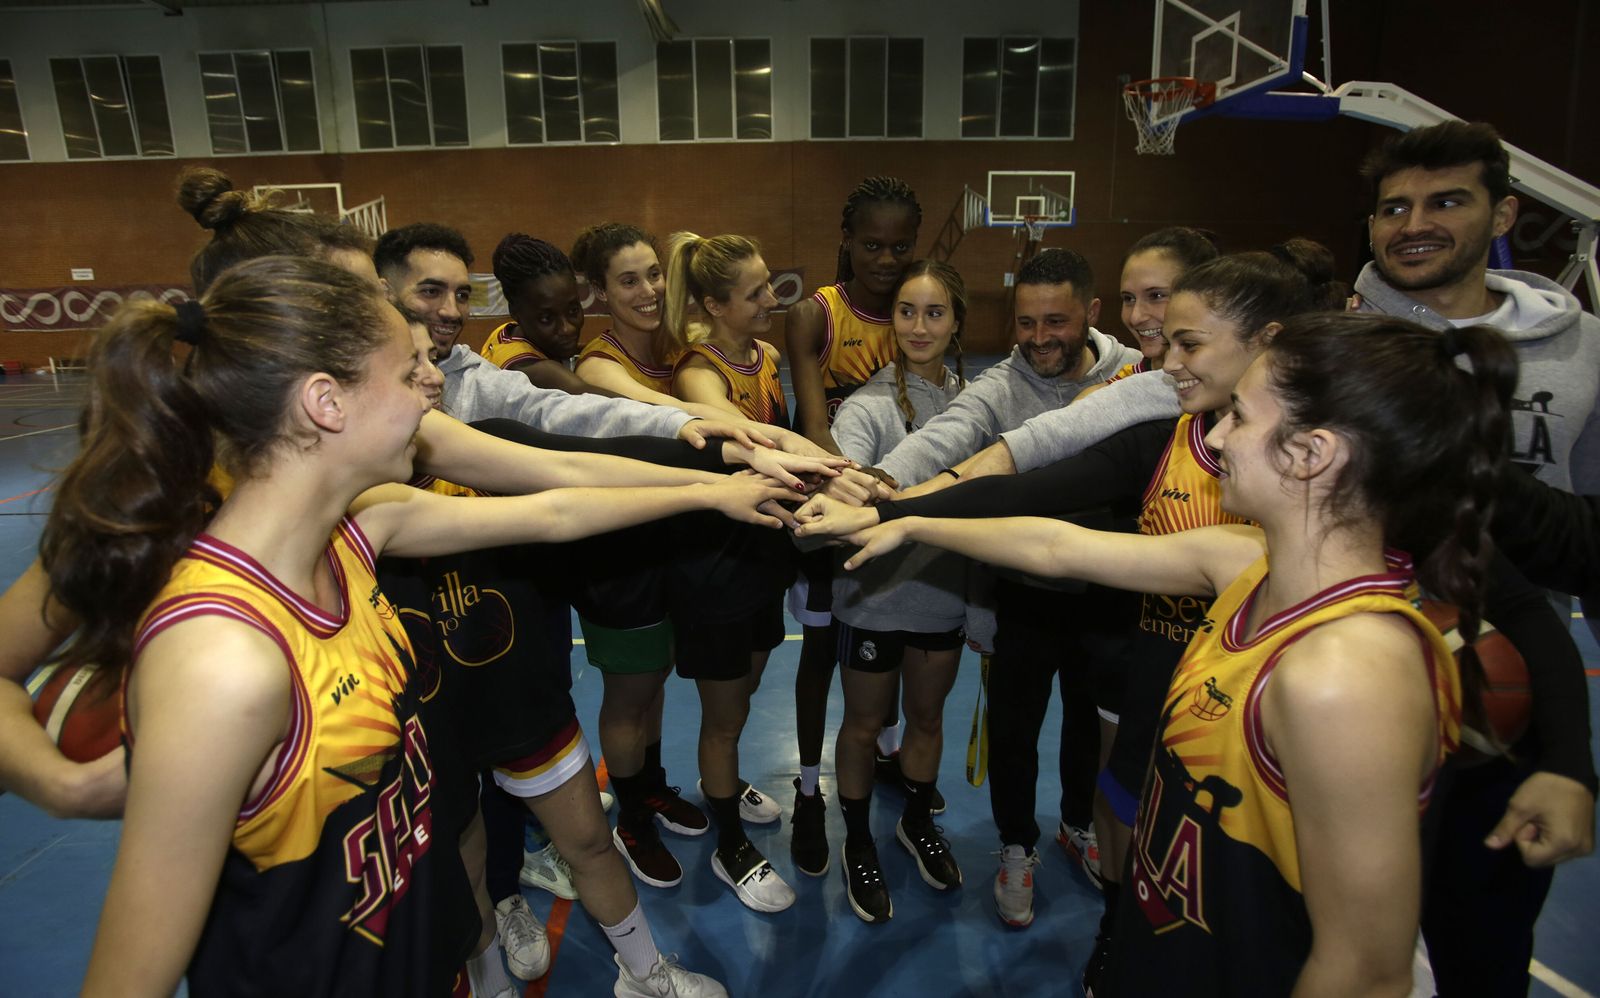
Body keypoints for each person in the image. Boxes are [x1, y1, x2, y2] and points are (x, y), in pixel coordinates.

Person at [47, 256, 787, 996]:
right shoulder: (224, 660)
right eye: (408, 375)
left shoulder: (362, 528)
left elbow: (558, 505)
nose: (430, 393)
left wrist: (715, 489)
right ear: (325, 403)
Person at [803, 310, 1514, 996]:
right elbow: (1056, 544)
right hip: (1178, 937)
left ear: (1312, 453)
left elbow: (1363, 970)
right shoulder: (1244, 562)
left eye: (1239, 415)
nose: (1218, 436)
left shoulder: (1346, 674)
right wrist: (905, 521)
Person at [800, 244, 1348, 956]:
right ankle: (1085, 907)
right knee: (1140, 828)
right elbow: (1037, 502)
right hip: (1163, 677)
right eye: (1145, 308)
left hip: (1202, 694)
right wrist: (893, 509)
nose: (1168, 356)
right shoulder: (1179, 450)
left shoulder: (1335, 621)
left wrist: (902, 517)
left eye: (1182, 332)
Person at [1354, 118, 1600, 995]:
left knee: (1482, 952)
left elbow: (1589, 545)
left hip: (1508, 698)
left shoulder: (1585, 353)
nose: (1414, 222)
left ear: (1504, 214)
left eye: (1446, 200)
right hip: (1359, 694)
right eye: (1394, 207)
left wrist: (1571, 759)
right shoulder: (1334, 343)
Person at [781, 178, 925, 873]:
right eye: (872, 244)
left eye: (900, 246)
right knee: (818, 657)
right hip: (827, 505)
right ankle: (809, 789)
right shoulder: (817, 315)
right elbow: (814, 429)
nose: (887, 259)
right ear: (847, 240)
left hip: (893, 508)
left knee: (888, 642)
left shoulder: (914, 309)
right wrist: (855, 501)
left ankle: (888, 753)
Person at [825, 260, 969, 921]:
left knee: (929, 718)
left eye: (934, 313)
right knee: (861, 727)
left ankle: (916, 818)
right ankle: (857, 839)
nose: (919, 326)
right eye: (907, 312)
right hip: (876, 601)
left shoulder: (976, 404)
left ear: (956, 323)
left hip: (944, 597)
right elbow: (845, 494)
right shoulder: (866, 406)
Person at [665, 231, 797, 912]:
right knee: (721, 718)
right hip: (712, 568)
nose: (772, 299)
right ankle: (727, 843)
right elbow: (754, 442)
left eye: (769, 283)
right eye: (755, 293)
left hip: (762, 557)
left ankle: (729, 780)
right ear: (714, 304)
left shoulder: (767, 356)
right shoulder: (698, 371)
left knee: (742, 698)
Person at [481, 233, 620, 396]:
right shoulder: (532, 370)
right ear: (515, 312)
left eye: (573, 311)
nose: (567, 329)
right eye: (546, 319)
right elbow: (597, 398)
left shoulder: (506, 333)